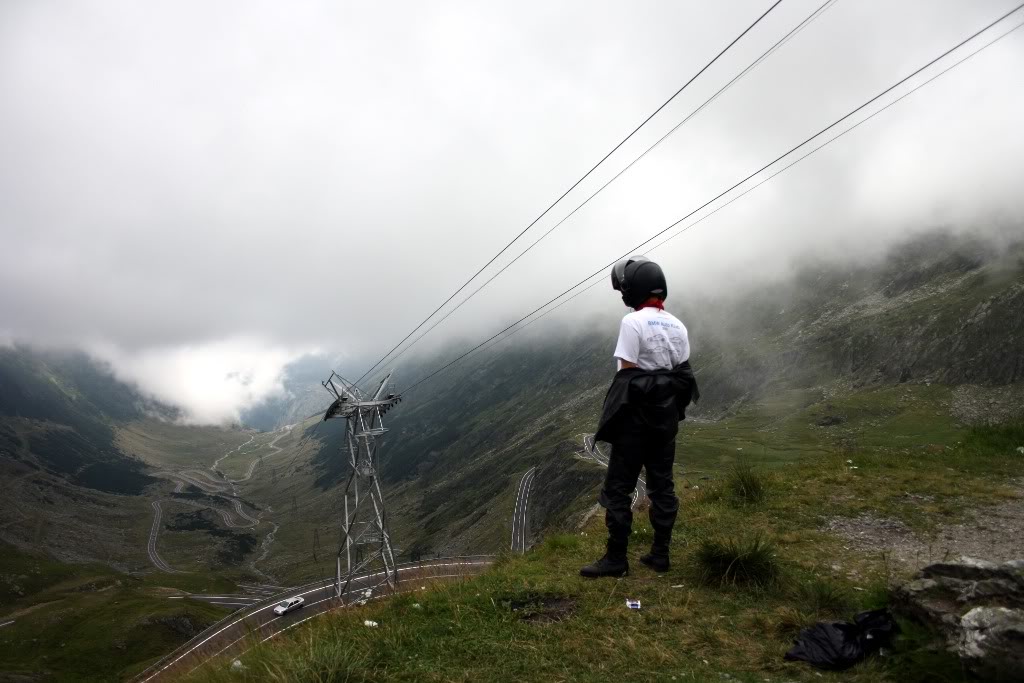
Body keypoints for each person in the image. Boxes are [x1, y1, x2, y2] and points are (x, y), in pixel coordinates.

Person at [580, 256, 699, 578]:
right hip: (666, 419)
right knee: (662, 485)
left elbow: (629, 374)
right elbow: (681, 373)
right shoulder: (678, 325)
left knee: (618, 489)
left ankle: (616, 560)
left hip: (636, 420)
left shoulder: (632, 323)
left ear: (632, 290)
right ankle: (660, 554)